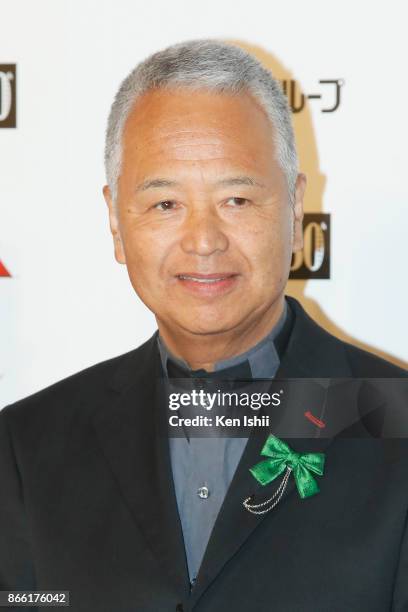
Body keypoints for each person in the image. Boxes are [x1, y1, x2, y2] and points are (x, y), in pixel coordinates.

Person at [0, 39, 407, 612]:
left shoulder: (396, 424)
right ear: (116, 222)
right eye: (165, 204)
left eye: (237, 199)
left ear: (295, 212)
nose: (204, 240)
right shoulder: (24, 447)